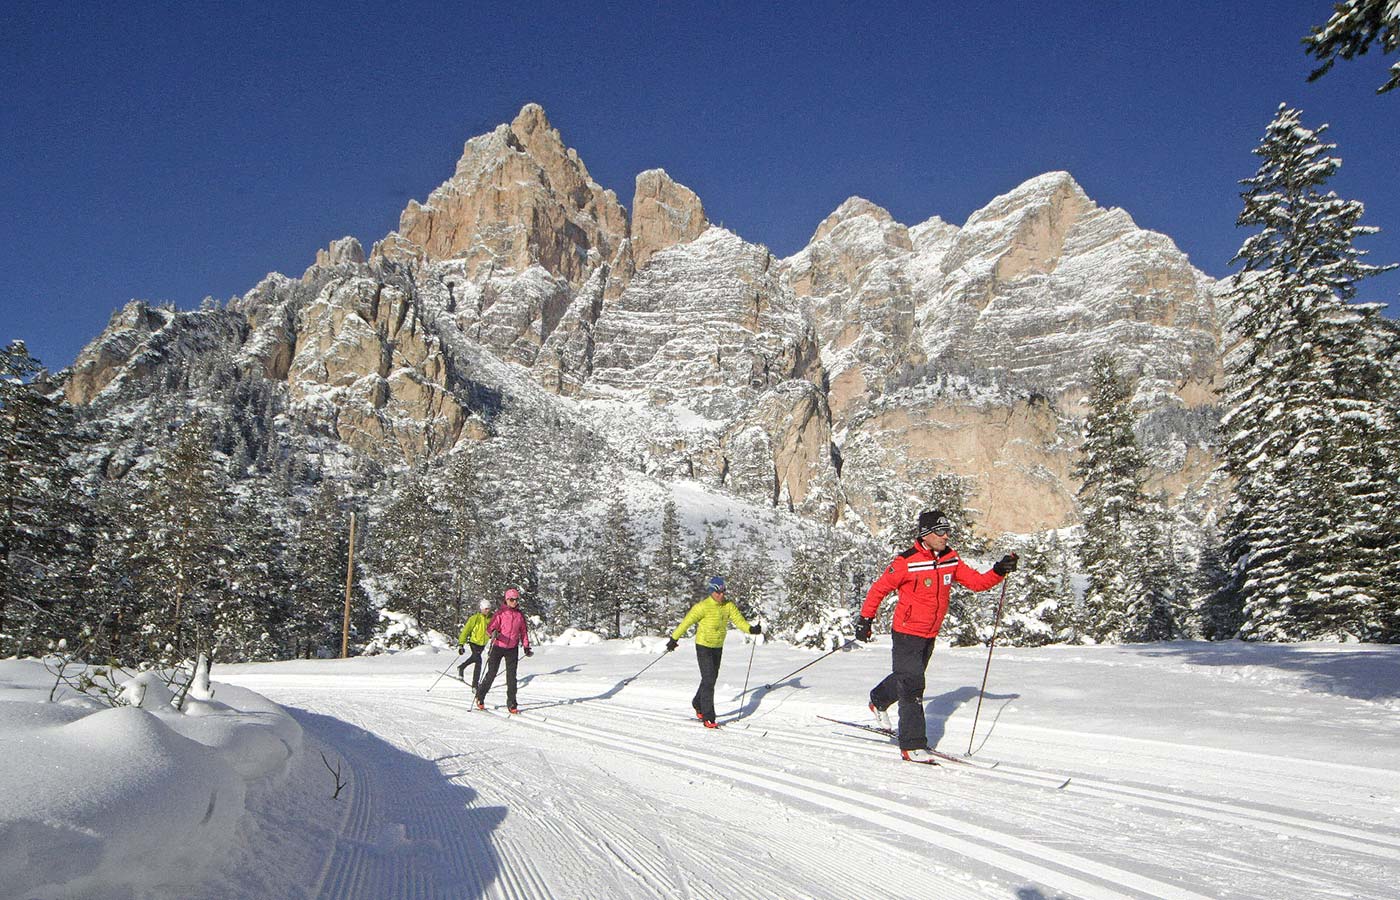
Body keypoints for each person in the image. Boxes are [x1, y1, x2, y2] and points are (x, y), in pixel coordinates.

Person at [856, 510, 1017, 763]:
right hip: (906, 633)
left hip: (930, 633)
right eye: (940, 532)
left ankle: (878, 699)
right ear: (926, 534)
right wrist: (865, 619)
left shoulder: (950, 558)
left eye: (947, 530)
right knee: (912, 686)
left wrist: (998, 570)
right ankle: (912, 745)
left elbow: (976, 582)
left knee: (906, 677)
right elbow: (879, 589)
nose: (946, 536)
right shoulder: (905, 562)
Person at [666, 575, 760, 729]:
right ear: (712, 592)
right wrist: (673, 639)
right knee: (709, 678)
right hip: (703, 646)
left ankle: (697, 702)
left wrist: (751, 629)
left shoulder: (728, 606)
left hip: (717, 646)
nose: (721, 595)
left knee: (710, 678)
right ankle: (708, 716)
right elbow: (686, 623)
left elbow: (739, 621)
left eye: (723, 592)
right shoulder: (702, 607)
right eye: (718, 593)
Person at [474, 587, 532, 713]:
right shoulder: (500, 613)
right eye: (511, 600)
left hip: (512, 648)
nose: (514, 602)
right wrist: (493, 632)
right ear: (506, 600)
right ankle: (480, 695)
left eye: (516, 600)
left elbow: (524, 632)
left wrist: (526, 646)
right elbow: (489, 628)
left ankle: (512, 703)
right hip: (498, 647)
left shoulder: (519, 615)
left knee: (512, 677)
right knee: (491, 674)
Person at [455, 598, 491, 691]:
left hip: (482, 644)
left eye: (489, 609)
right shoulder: (475, 618)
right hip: (474, 642)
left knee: (475, 658)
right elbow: (466, 631)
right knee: (478, 660)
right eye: (486, 609)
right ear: (481, 609)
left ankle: (461, 667)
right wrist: (461, 644)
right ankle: (475, 685)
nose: (487, 611)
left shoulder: (491, 618)